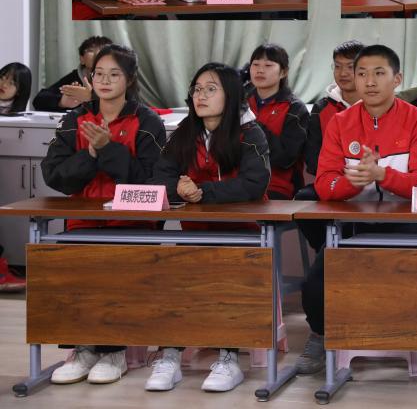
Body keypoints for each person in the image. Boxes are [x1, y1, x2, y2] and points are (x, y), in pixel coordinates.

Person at [295, 44, 417, 376]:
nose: (369, 82)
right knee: (315, 283)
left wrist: (383, 175)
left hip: (406, 224)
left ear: (397, 79)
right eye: (362, 74)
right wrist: (353, 183)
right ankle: (320, 334)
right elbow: (324, 184)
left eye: (379, 73)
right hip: (353, 224)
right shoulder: (340, 122)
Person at [40, 44, 167, 386]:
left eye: (114, 74)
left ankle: (113, 352)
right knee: (70, 270)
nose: (105, 81)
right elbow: (54, 175)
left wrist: (109, 149)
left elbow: (152, 179)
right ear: (89, 77)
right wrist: (91, 153)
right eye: (99, 74)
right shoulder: (75, 118)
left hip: (132, 221)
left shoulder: (147, 121)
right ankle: (83, 349)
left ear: (130, 80)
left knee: (115, 270)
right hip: (83, 218)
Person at [146, 62, 271, 392]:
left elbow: (254, 184)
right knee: (168, 275)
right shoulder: (184, 132)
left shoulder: (250, 133)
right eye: (197, 89)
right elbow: (159, 178)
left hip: (242, 237)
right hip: (195, 235)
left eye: (211, 89)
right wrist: (180, 190)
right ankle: (169, 356)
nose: (200, 96)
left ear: (230, 95)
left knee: (225, 276)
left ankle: (229, 358)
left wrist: (203, 192)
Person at [246, 44, 309, 199]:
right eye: (255, 65)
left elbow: (285, 158)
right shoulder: (239, 102)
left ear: (283, 72)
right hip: (238, 181)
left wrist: (251, 123)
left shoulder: (295, 109)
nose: (260, 70)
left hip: (277, 186)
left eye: (268, 65)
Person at [305, 40, 364, 176]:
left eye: (350, 67)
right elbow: (313, 159)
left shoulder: (378, 106)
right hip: (331, 180)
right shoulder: (321, 108)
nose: (343, 73)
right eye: (337, 66)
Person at [32, 36, 113, 112]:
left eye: (103, 50)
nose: (97, 54)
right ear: (82, 59)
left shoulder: (117, 78)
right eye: (91, 50)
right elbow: (39, 100)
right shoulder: (74, 79)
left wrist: (91, 97)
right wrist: (61, 102)